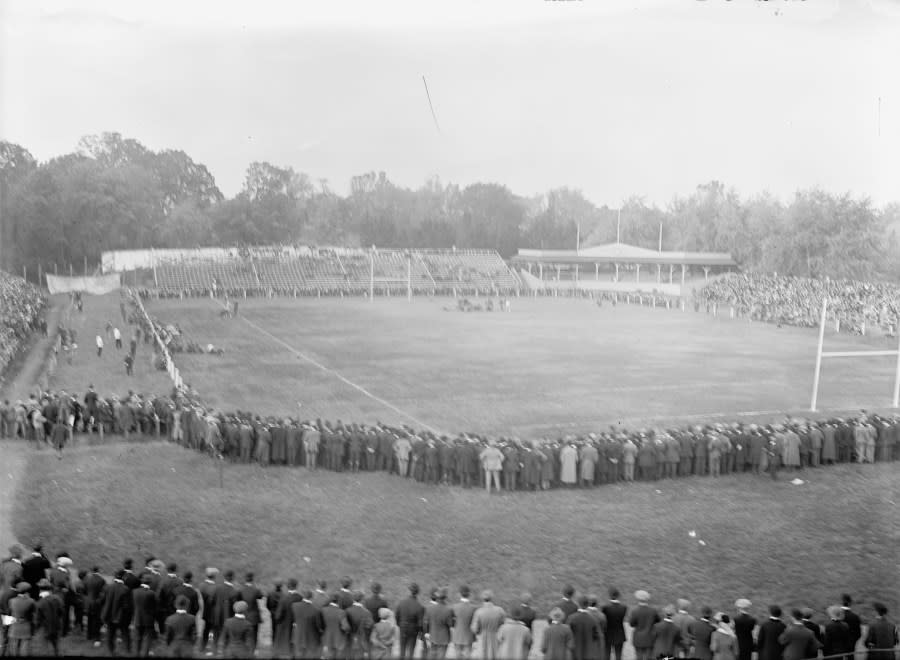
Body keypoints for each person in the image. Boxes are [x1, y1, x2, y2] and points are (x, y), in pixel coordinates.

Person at [101, 570, 133, 656]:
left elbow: (102, 600)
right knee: (125, 634)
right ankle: (128, 651)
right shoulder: (126, 589)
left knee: (110, 635)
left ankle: (111, 652)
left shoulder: (108, 587)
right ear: (124, 577)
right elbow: (127, 606)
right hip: (121, 617)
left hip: (109, 615)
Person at [471, 590, 505, 660]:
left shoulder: (479, 612)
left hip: (482, 637)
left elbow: (474, 629)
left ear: (482, 599)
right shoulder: (500, 610)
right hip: (495, 637)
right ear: (492, 598)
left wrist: (478, 632)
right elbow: (503, 624)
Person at [292, 588, 325, 660]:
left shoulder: (294, 606)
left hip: (298, 636)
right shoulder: (315, 610)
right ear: (311, 597)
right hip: (311, 639)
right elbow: (319, 626)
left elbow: (292, 619)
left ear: (303, 596)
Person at [395, 583, 424, 660]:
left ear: (409, 591)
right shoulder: (419, 606)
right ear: (417, 593)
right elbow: (420, 623)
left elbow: (396, 616)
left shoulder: (401, 603)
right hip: (413, 630)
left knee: (402, 649)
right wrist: (420, 632)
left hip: (403, 627)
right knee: (411, 650)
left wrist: (399, 624)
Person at [568, 595, 603, 660]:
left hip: (575, 651)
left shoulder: (571, 618)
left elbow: (568, 635)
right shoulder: (593, 619)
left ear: (578, 604)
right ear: (587, 605)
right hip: (588, 652)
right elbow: (597, 636)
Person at [423, 587, 453, 660]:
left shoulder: (429, 608)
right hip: (444, 638)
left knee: (432, 655)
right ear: (445, 598)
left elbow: (425, 622)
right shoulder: (448, 609)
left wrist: (426, 632)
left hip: (432, 636)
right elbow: (450, 624)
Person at [629, 590, 660, 660]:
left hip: (638, 638)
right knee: (648, 657)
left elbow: (631, 624)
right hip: (650, 637)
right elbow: (658, 620)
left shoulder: (635, 611)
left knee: (638, 657)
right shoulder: (653, 611)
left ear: (638, 599)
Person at [133, 574, 158, 657]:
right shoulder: (152, 593)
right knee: (147, 640)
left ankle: (136, 654)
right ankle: (145, 655)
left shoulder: (135, 591)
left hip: (137, 618)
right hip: (148, 620)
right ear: (150, 583)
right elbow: (155, 608)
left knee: (137, 639)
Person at [8, 582, 35, 656]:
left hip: (14, 627)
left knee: (14, 648)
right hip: (26, 627)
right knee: (25, 649)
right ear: (27, 591)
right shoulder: (31, 601)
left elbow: (9, 613)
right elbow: (33, 614)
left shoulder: (12, 601)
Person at [321, 592, 350, 660]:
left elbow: (321, 624)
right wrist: (347, 631)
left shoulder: (323, 610)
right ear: (338, 601)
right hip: (339, 639)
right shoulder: (341, 612)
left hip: (327, 639)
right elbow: (346, 627)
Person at [451, 585, 477, 660]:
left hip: (457, 635)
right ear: (469, 594)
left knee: (458, 656)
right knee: (467, 656)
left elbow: (452, 622)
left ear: (460, 594)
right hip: (468, 636)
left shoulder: (455, 607)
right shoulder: (473, 608)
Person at [602, 588, 628, 660]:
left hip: (607, 633)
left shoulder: (605, 608)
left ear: (610, 596)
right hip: (619, 633)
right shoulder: (624, 608)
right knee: (618, 655)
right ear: (618, 596)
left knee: (606, 654)